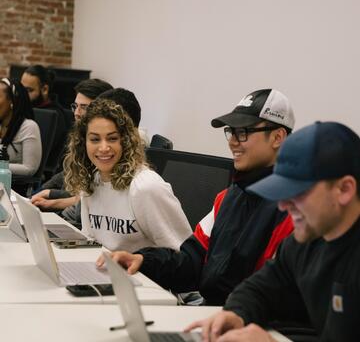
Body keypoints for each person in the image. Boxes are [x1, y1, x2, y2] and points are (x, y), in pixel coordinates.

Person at [97, 88, 295, 305]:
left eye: (244, 132)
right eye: (231, 132)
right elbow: (191, 261)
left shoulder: (296, 211)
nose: (233, 142)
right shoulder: (227, 198)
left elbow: (276, 296)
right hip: (210, 316)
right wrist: (143, 261)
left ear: (278, 137)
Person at [187, 121, 360, 342]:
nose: (283, 205)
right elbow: (260, 288)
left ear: (344, 190)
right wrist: (235, 314)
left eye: (297, 192)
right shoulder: (303, 242)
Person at [63, 99, 192, 252]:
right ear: (83, 143)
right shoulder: (91, 182)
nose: (104, 148)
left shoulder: (145, 187)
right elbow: (91, 242)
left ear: (124, 142)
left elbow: (182, 256)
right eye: (95, 139)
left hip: (142, 274)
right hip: (106, 270)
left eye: (112, 138)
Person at [31, 78, 113, 212]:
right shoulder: (79, 136)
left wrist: (51, 194)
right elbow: (67, 172)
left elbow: (88, 195)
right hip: (68, 209)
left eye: (84, 107)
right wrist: (41, 190)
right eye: (75, 106)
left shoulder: (105, 149)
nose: (76, 113)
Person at [20, 65, 67, 172]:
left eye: (29, 90)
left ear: (45, 89)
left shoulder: (54, 116)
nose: (23, 95)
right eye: (22, 89)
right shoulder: (26, 109)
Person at [0, 77, 41, 177]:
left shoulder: (29, 127)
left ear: (12, 101)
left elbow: (30, 168)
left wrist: (2, 167)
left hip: (12, 187)